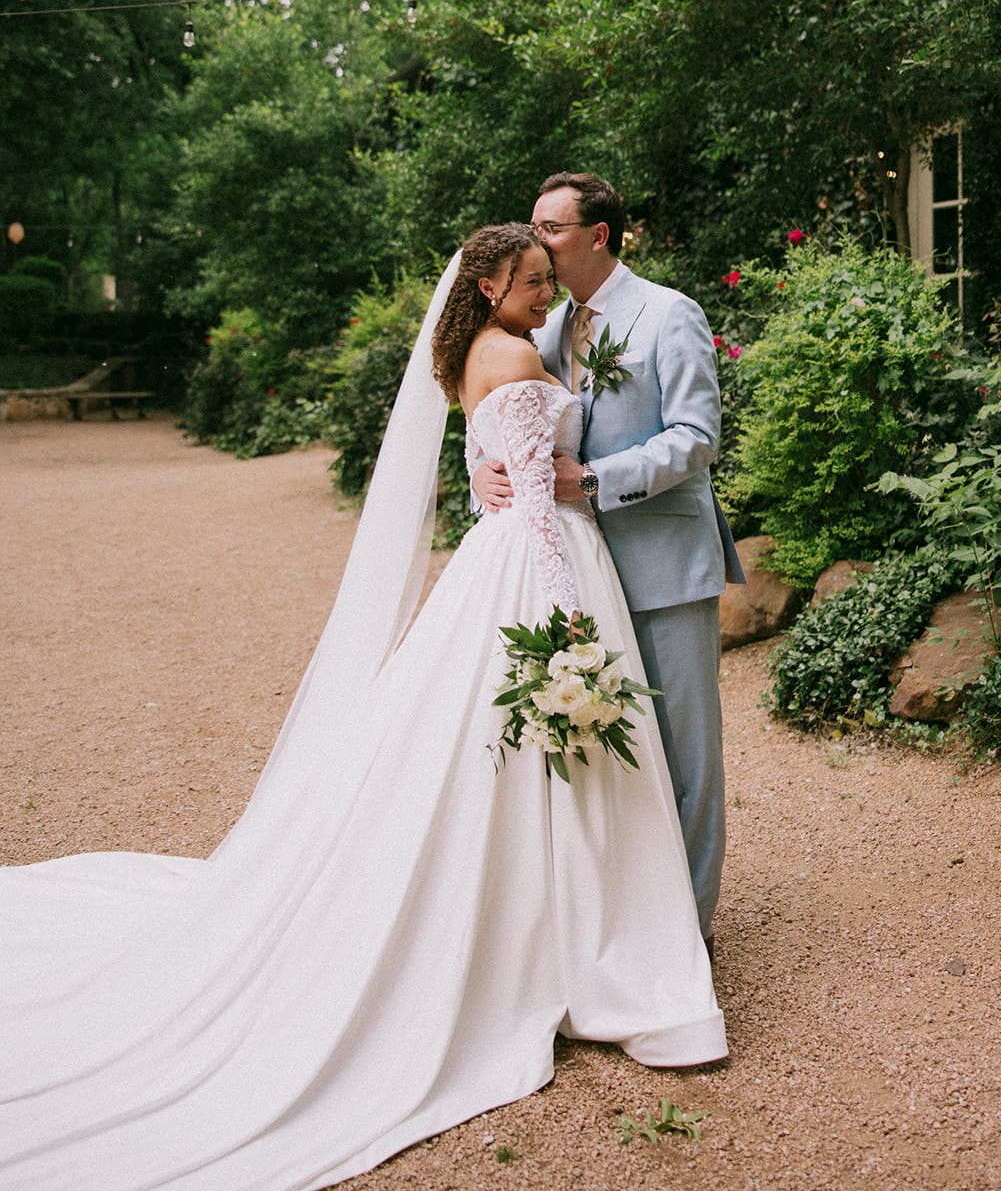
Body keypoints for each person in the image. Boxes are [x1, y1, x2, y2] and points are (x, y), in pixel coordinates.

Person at [0, 223, 725, 1191]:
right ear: (487, 281)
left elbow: (493, 467)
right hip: (544, 565)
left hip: (513, 551)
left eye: (551, 277)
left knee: (486, 752)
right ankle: (570, 933)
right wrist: (561, 625)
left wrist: (498, 487)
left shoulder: (485, 345)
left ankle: (554, 916)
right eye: (530, 279)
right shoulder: (510, 349)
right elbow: (530, 494)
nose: (545, 294)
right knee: (549, 740)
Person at [473, 176, 744, 943]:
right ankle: (625, 917)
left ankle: (686, 931)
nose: (537, 242)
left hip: (661, 564)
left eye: (550, 228)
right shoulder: (546, 328)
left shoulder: (668, 313)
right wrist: (483, 473)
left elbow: (695, 438)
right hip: (579, 572)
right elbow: (514, 428)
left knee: (685, 753)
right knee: (608, 750)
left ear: (596, 235)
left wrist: (594, 480)